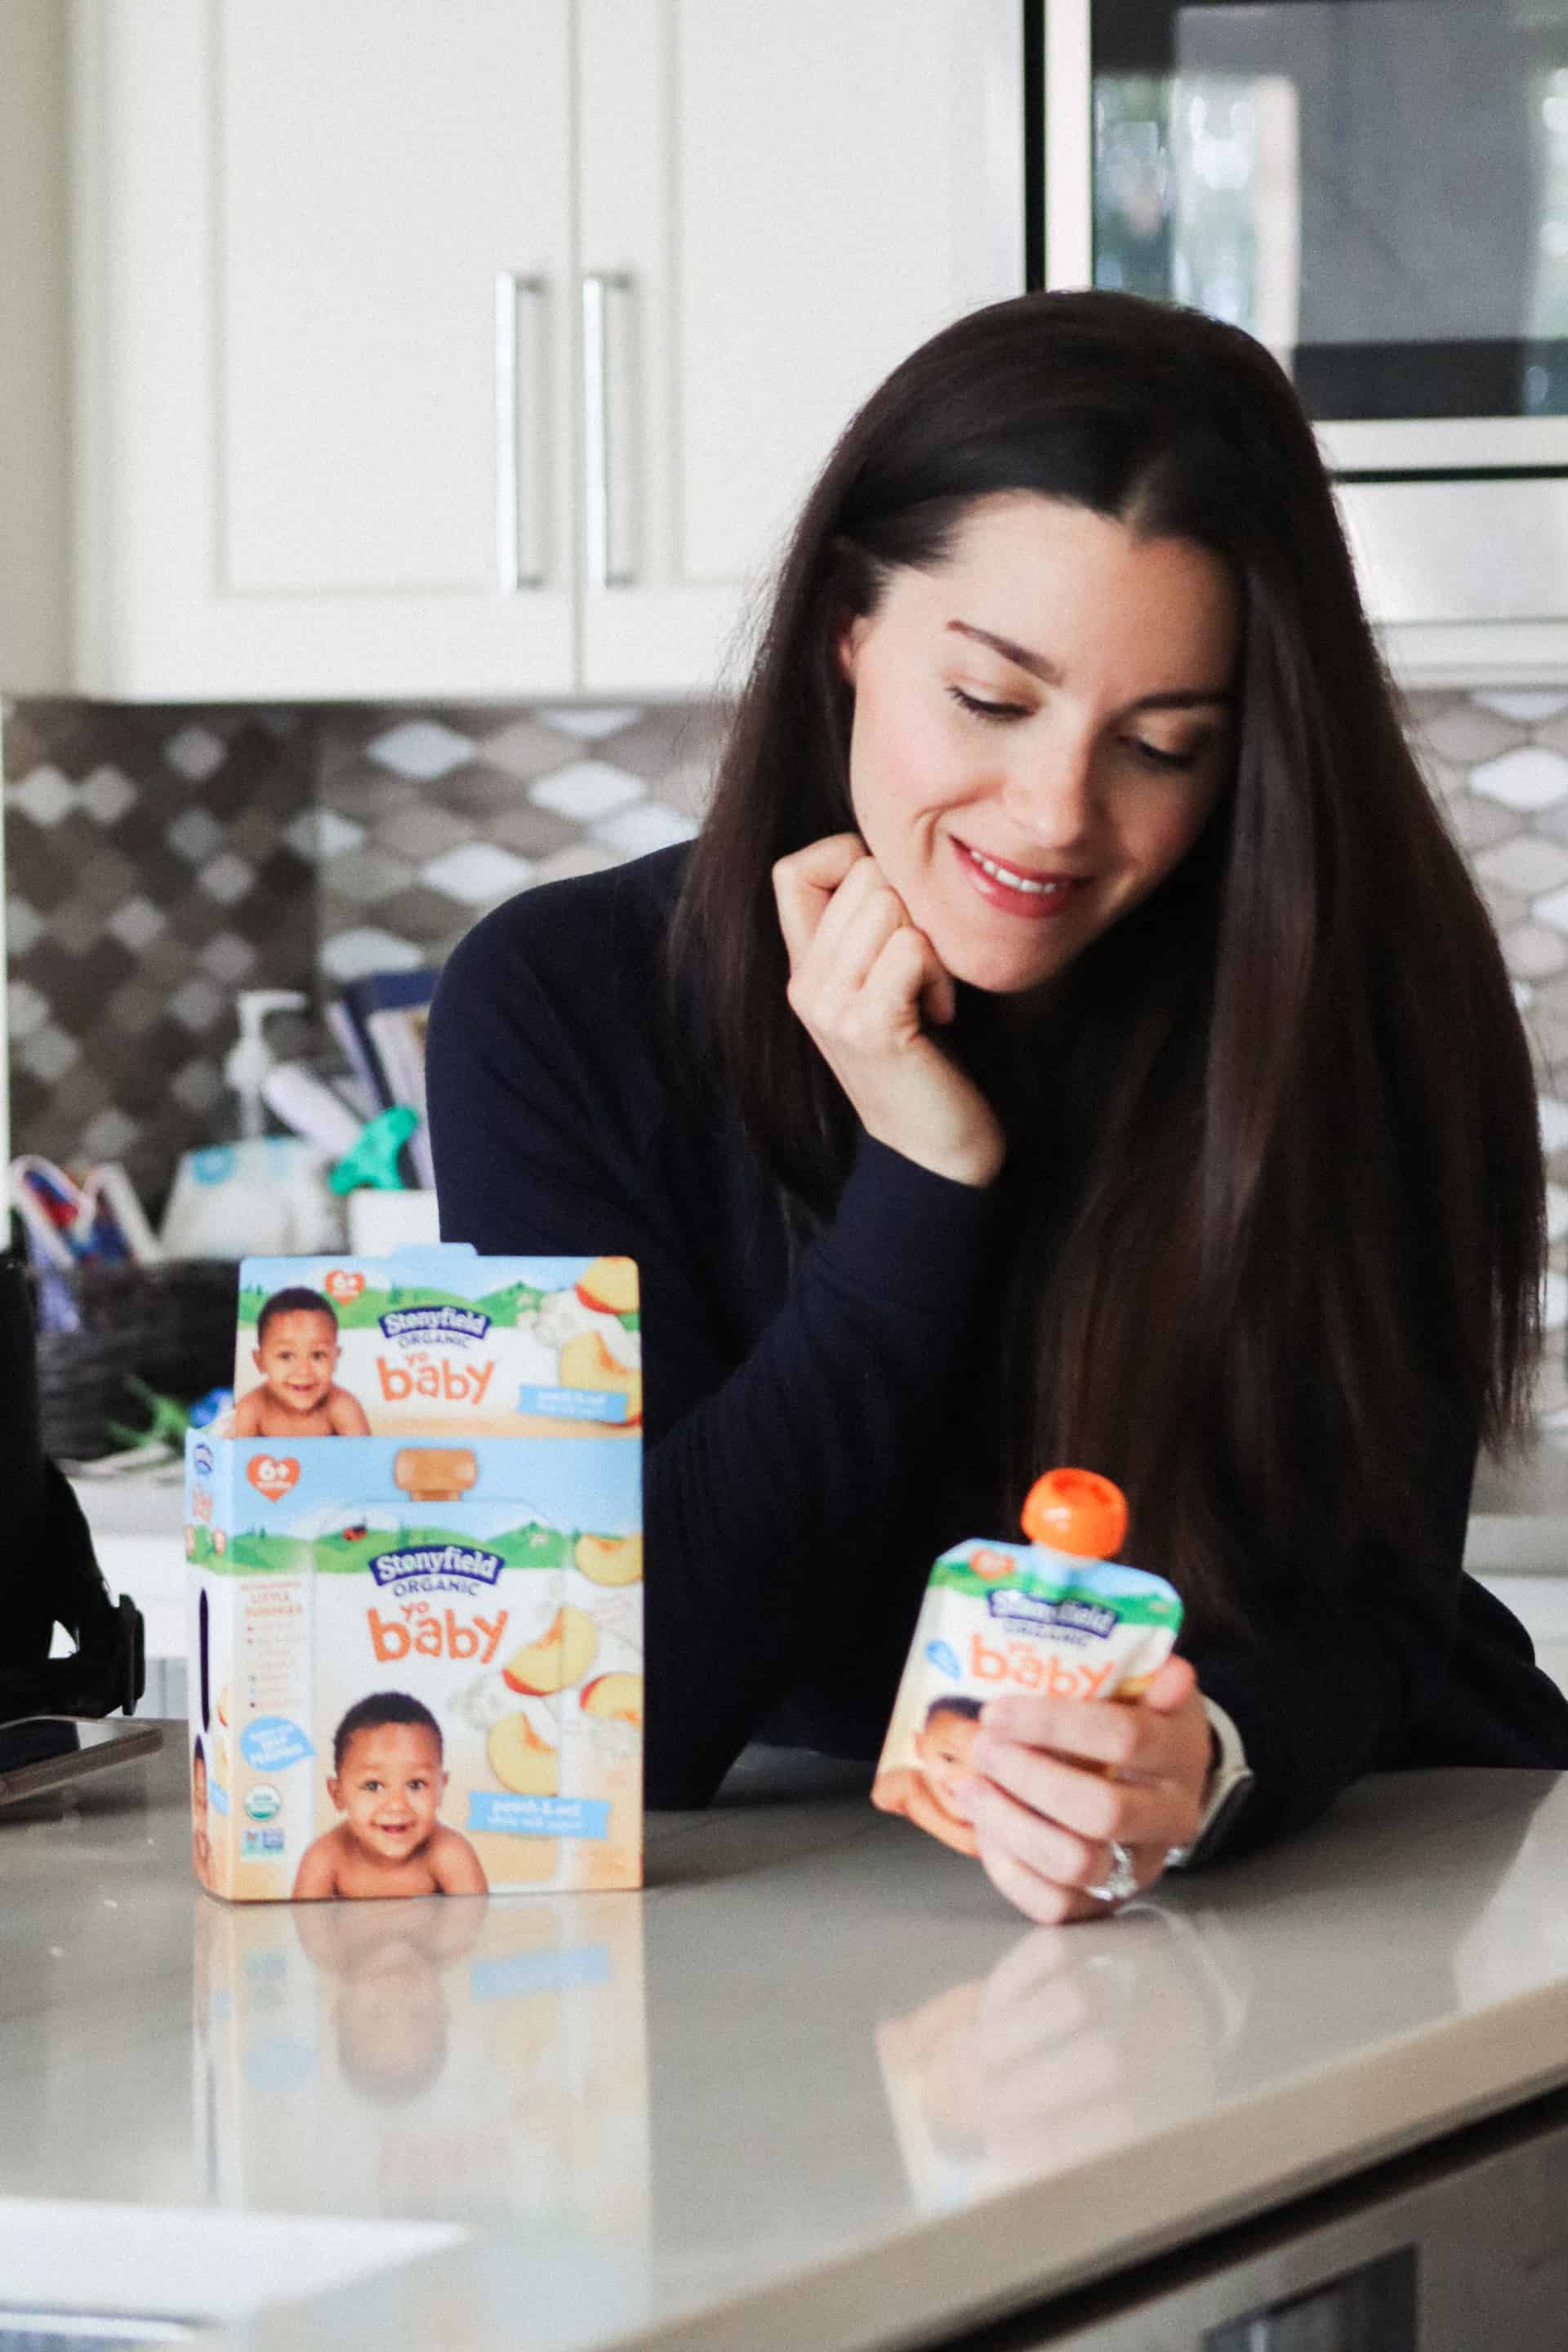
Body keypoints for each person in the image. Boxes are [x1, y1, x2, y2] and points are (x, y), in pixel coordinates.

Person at [428, 289, 1568, 1925]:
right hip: (795, 1925)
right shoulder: (560, 1003)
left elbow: (1364, 1600)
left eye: (1165, 747)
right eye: (991, 699)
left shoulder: (1341, 996)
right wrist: (926, 1169)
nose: (1056, 816)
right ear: (848, 629)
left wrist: (1204, 1761)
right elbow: (624, 1708)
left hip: (1355, 1882)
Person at [293, 1692, 488, 1899]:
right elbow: (306, 1929)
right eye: (373, 1785)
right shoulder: (325, 1858)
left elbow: (476, 1926)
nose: (396, 1805)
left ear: (441, 1789)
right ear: (337, 1794)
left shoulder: (450, 1854)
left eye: (415, 1784)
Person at [233, 1285, 372, 1438]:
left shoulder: (343, 1407)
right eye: (286, 1356)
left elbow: (365, 1457)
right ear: (260, 1362)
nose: (303, 1371)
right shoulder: (252, 1409)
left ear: (335, 1358)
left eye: (317, 1355)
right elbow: (236, 1458)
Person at [872, 1695, 986, 1858]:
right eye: (949, 1759)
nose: (967, 1777)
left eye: (986, 1766)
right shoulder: (906, 1779)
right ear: (920, 1746)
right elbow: (882, 1796)